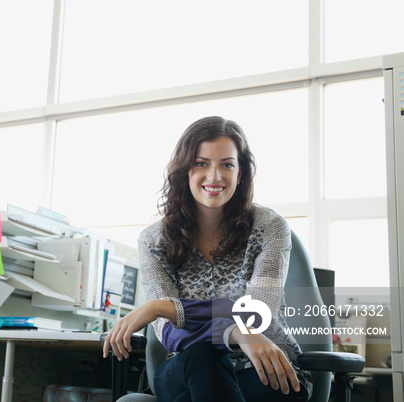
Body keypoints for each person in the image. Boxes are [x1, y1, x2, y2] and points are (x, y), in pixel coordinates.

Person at [102, 116, 311, 401]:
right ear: (184, 170)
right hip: (189, 366)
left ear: (241, 173)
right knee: (201, 359)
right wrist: (235, 333)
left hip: (263, 366)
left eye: (227, 164)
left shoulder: (269, 226)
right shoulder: (153, 241)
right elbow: (172, 335)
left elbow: (258, 313)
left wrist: (161, 307)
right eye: (202, 163)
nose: (214, 176)